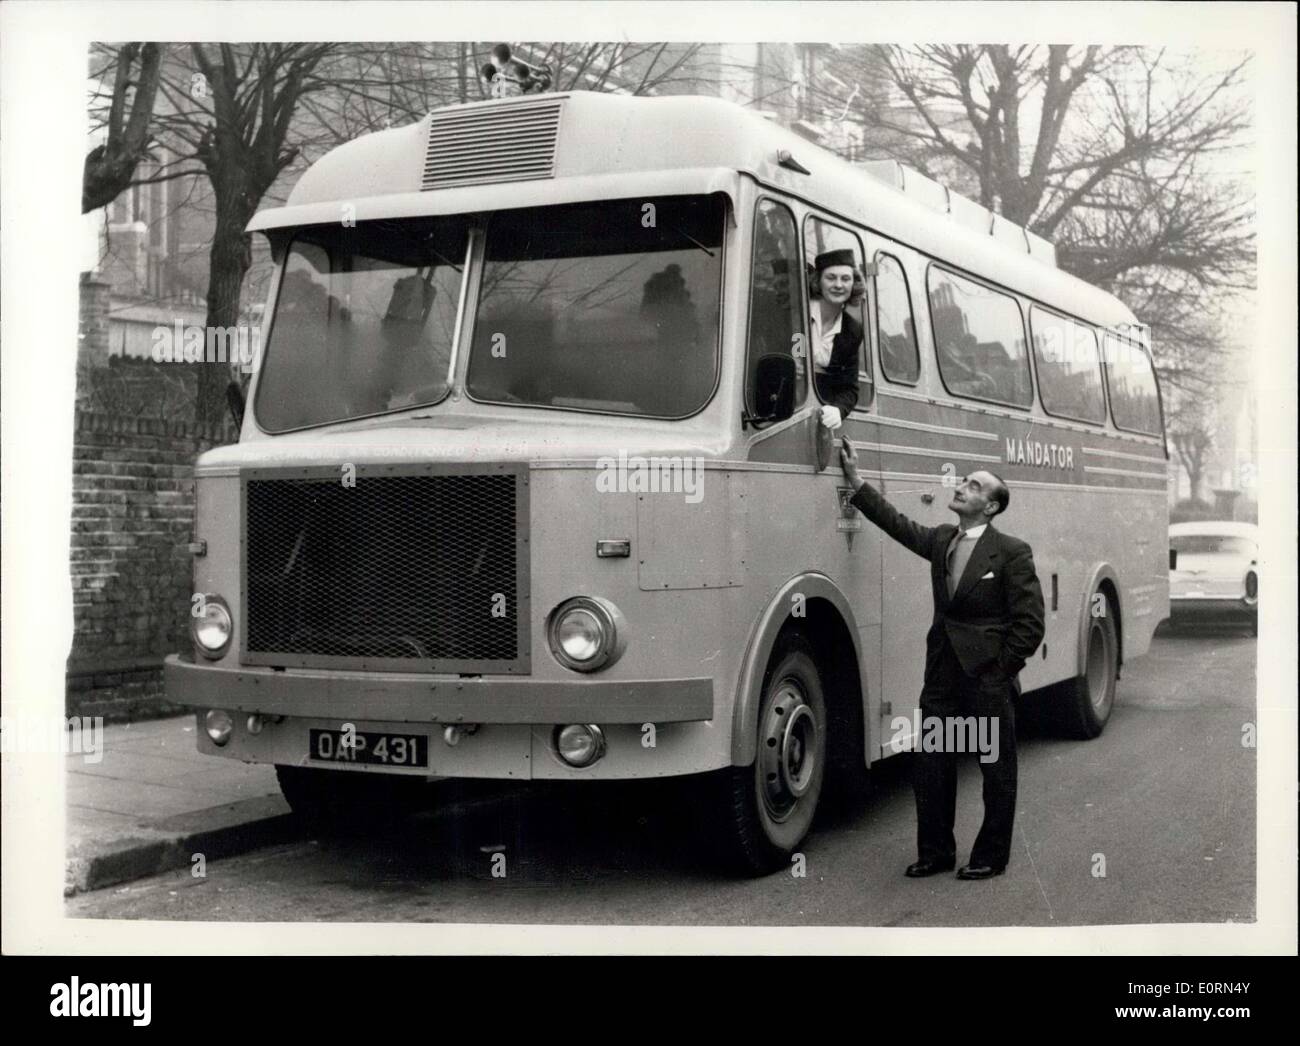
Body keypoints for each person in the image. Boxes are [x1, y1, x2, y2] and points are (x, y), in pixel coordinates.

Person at [840, 438, 1045, 880]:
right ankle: (935, 852)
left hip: (987, 677)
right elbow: (896, 524)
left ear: (990, 508)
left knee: (995, 770)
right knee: (931, 764)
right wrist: (856, 482)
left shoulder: (1011, 551)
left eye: (974, 486)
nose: (962, 487)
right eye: (965, 481)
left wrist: (1000, 670)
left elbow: (1030, 623)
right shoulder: (941, 540)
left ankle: (990, 856)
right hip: (942, 676)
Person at [808, 248, 863, 430]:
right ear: (818, 282)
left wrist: (838, 410)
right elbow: (797, 357)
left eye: (845, 279)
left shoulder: (852, 331)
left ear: (853, 285)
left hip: (817, 418)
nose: (839, 285)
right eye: (831, 278)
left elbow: (849, 387)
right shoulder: (799, 315)